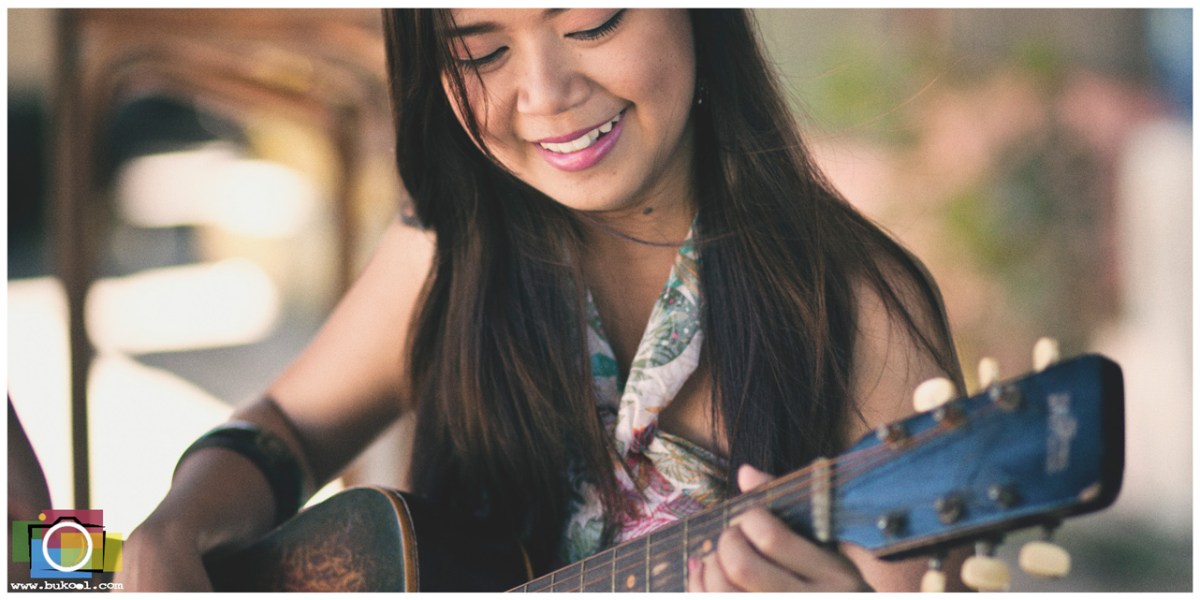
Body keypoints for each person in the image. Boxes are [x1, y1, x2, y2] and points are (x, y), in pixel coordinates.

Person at [118, 9, 968, 592]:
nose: (545, 93)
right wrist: (178, 524)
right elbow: (286, 428)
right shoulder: (451, 248)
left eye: (592, 20)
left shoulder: (858, 315)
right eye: (480, 51)